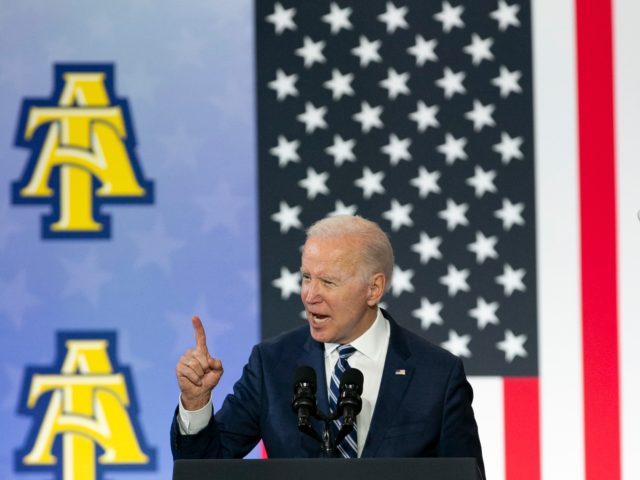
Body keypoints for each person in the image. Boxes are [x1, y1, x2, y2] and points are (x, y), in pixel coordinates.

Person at [171, 215, 485, 477]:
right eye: (307, 277)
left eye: (328, 282)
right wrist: (196, 403)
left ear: (373, 289)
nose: (310, 295)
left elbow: (464, 474)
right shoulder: (272, 364)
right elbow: (205, 469)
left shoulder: (437, 375)